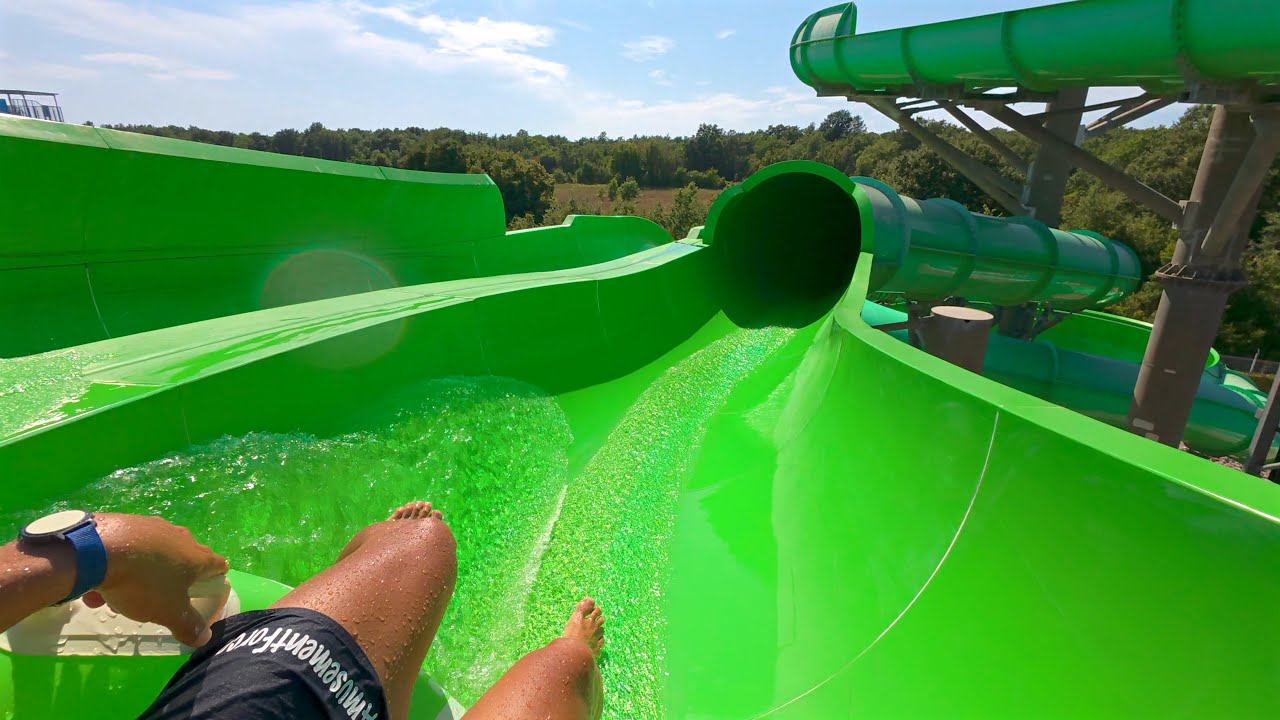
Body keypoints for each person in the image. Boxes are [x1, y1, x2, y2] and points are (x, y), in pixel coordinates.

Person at [0, 501, 605, 720]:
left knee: (418, 542)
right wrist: (88, 548)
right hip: (284, 697)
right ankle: (573, 652)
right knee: (423, 543)